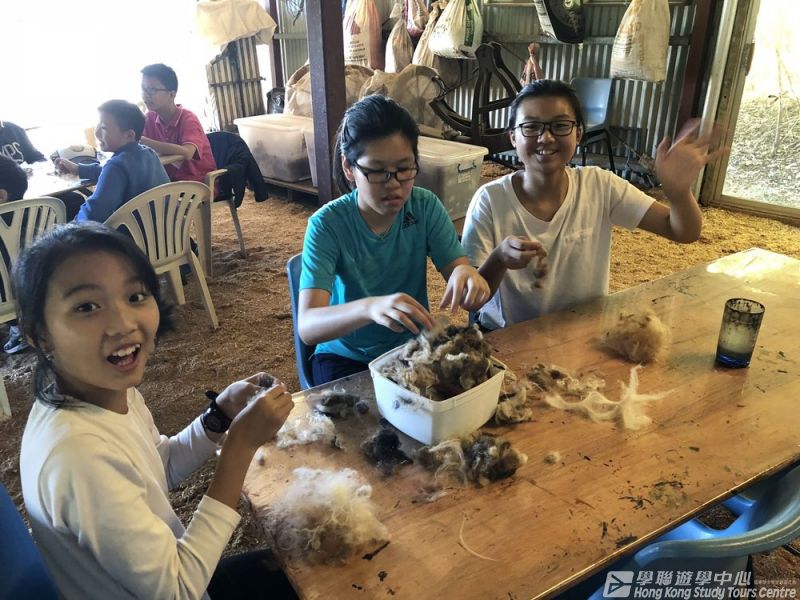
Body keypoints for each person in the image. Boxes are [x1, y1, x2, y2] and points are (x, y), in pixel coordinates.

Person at [17, 222, 297, 600]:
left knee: (307, 557)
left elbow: (158, 468)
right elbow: (178, 589)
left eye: (135, 296)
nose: (123, 324)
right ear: (39, 334)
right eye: (86, 307)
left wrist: (219, 416)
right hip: (181, 585)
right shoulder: (77, 456)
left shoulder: (107, 391)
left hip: (179, 575)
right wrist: (239, 448)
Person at [461, 80, 727, 330]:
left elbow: (683, 231)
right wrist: (499, 259)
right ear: (513, 137)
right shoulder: (490, 201)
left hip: (583, 332)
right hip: (510, 337)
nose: (546, 137)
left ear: (578, 133)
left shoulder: (600, 186)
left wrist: (678, 193)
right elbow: (469, 299)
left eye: (560, 125)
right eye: (531, 127)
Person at [298, 95, 490, 386]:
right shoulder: (327, 225)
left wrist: (467, 274)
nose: (394, 184)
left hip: (413, 349)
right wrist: (369, 307)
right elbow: (309, 326)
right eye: (377, 171)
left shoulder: (425, 207)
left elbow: (461, 278)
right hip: (345, 357)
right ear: (349, 168)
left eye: (404, 169)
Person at [55, 100, 170, 222]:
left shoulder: (116, 167)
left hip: (132, 233)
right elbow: (114, 174)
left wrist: (69, 227)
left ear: (129, 135)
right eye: (98, 125)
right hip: (166, 229)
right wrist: (79, 169)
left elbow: (94, 214)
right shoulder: (148, 153)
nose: (97, 133)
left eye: (104, 128)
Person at [140, 63, 216, 183]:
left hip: (196, 184)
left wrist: (142, 140)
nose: (146, 95)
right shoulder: (149, 118)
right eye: (143, 89)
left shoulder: (188, 119)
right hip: (169, 183)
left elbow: (188, 152)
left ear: (172, 94)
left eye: (152, 90)